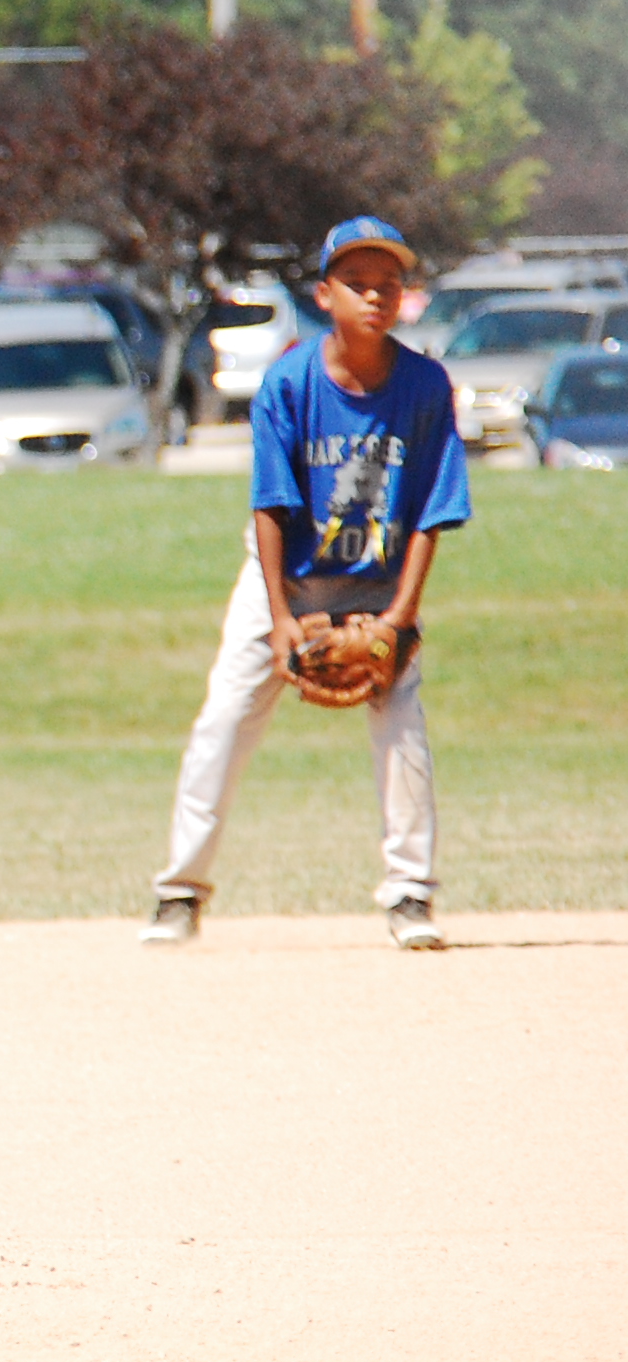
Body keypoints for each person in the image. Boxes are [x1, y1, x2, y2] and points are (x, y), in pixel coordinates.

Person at [146, 218, 472, 951]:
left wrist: (400, 617)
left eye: (388, 284)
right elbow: (269, 504)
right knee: (223, 722)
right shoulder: (289, 383)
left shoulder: (425, 386)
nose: (374, 296)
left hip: (378, 585)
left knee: (403, 729)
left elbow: (432, 511)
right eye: (357, 283)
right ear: (324, 295)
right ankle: (179, 892)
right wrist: (281, 618)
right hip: (284, 579)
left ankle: (411, 894)